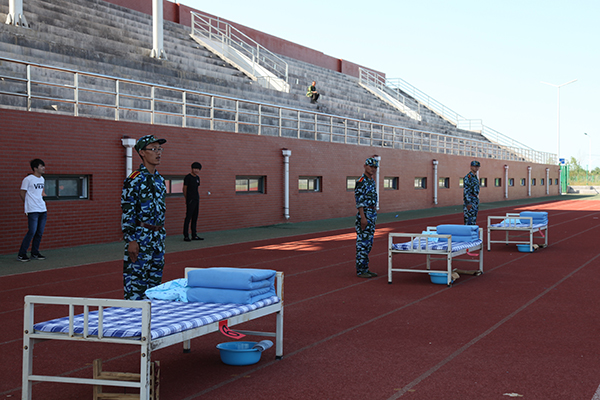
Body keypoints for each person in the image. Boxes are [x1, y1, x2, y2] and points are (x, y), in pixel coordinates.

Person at [121, 135, 167, 300]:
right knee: (136, 285)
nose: (158, 153)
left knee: (155, 288)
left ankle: (152, 315)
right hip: (141, 237)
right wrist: (131, 240)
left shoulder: (160, 180)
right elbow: (128, 210)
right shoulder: (134, 180)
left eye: (159, 149)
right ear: (142, 152)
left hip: (157, 238)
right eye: (153, 149)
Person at [18, 159, 47, 262]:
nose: (43, 168)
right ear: (35, 168)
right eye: (41, 166)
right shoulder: (28, 179)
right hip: (33, 210)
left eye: (43, 166)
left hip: (42, 209)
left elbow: (40, 192)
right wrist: (28, 204)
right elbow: (22, 193)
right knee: (32, 231)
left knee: (39, 232)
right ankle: (22, 254)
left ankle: (35, 252)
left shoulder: (42, 179)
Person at [355, 156, 379, 278]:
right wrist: (363, 218)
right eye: (371, 166)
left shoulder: (371, 181)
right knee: (363, 242)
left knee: (369, 242)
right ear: (365, 166)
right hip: (364, 213)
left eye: (375, 167)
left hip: (371, 213)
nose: (373, 169)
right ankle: (361, 270)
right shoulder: (361, 181)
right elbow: (359, 201)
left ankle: (365, 268)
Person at [183, 161, 203, 241]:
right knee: (188, 217)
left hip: (196, 199)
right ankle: (186, 235)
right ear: (192, 169)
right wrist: (187, 199)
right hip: (190, 200)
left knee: (195, 217)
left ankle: (194, 235)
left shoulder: (197, 178)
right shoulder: (188, 177)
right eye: (195, 168)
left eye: (198, 169)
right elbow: (184, 188)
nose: (196, 170)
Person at [463, 160, 481, 225]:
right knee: (469, 220)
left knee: (473, 219)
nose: (476, 168)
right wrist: (468, 202)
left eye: (477, 167)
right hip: (470, 200)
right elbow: (466, 190)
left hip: (475, 200)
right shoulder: (468, 177)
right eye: (474, 166)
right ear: (471, 167)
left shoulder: (475, 177)